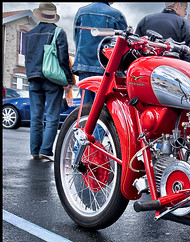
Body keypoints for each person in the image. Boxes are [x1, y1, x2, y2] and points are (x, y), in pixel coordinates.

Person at [25, 2, 73, 161]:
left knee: (36, 117)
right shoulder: (58, 32)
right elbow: (63, 58)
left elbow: (29, 58)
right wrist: (67, 80)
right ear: (53, 17)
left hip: (33, 78)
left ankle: (35, 150)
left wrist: (30, 75)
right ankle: (46, 150)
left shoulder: (30, 33)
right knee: (52, 116)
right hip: (52, 79)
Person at [73, 2, 128, 105]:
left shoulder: (81, 12)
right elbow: (123, 43)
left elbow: (76, 38)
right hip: (106, 66)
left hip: (84, 65)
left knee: (85, 107)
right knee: (103, 107)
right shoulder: (116, 15)